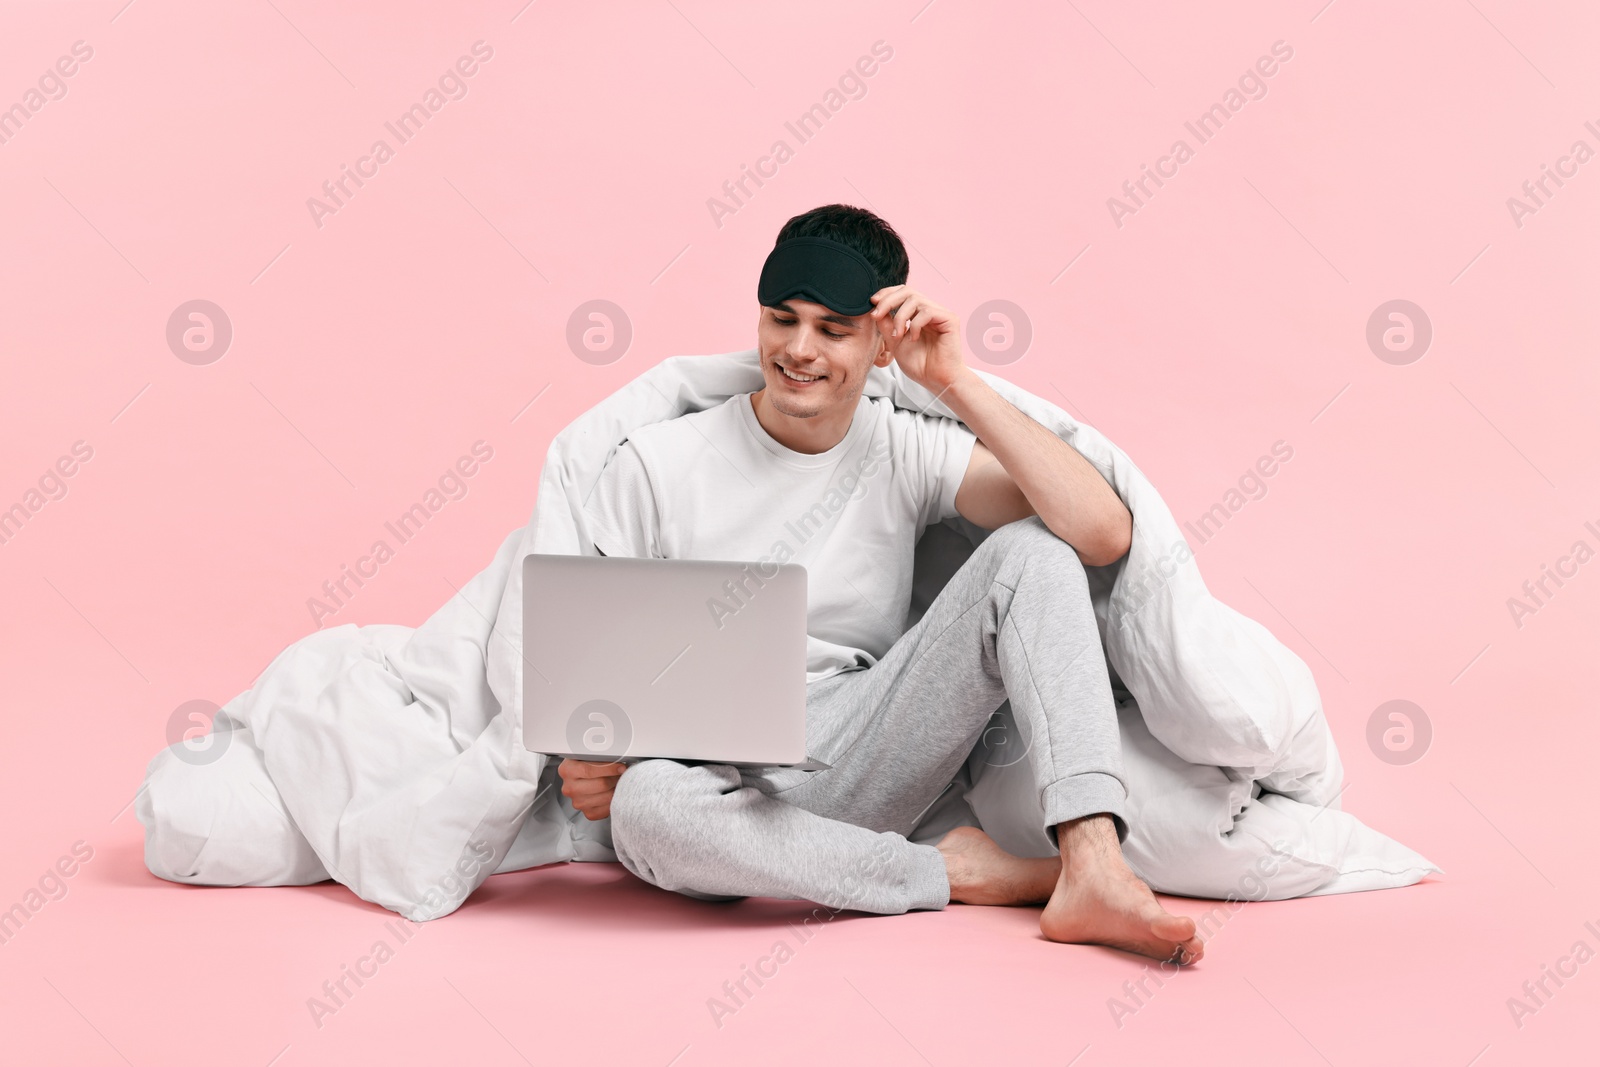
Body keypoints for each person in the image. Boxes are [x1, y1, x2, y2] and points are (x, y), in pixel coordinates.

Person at [559, 204, 1202, 965]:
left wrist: (955, 382)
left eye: (833, 329)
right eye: (781, 319)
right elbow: (600, 664)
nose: (799, 350)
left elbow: (1101, 531)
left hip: (863, 744)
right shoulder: (655, 463)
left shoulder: (904, 447)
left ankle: (1094, 864)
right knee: (645, 808)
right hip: (710, 774)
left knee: (1036, 550)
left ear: (879, 342)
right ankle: (958, 873)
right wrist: (597, 758)